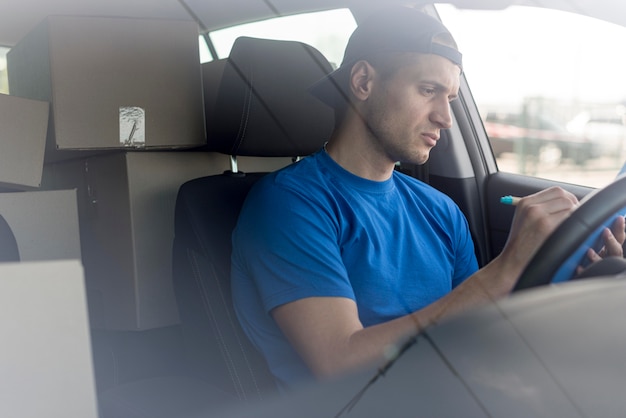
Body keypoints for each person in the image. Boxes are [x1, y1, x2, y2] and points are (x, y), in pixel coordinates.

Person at [230, 6, 625, 390]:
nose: (445, 117)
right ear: (364, 82)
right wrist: (506, 267)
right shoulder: (289, 205)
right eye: (428, 90)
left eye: (450, 98)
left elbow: (478, 329)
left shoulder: (439, 209)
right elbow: (339, 362)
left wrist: (572, 285)